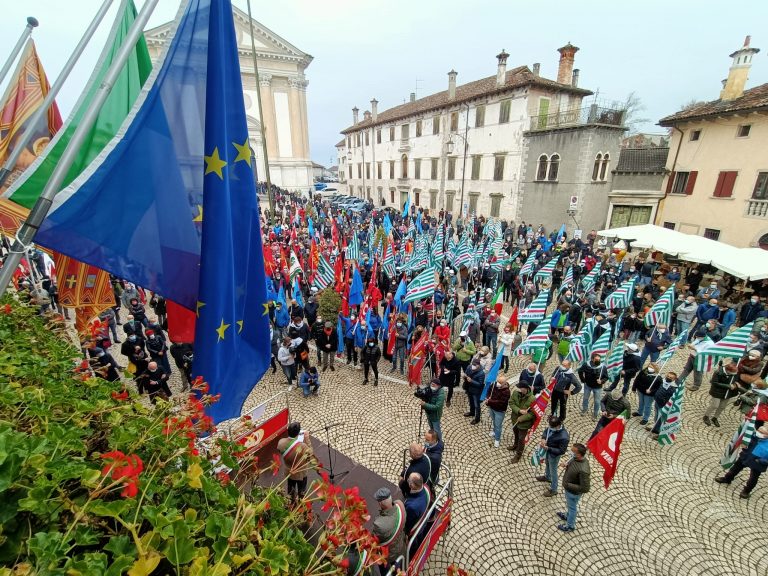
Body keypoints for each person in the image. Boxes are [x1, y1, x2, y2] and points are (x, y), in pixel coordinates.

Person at [715, 424, 768, 498]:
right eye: (758, 430)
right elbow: (745, 442)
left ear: (766, 435)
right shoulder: (752, 436)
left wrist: (760, 461)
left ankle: (746, 491)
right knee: (735, 468)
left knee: (753, 478)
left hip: (757, 463)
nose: (758, 432)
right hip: (745, 456)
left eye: (761, 432)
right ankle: (727, 479)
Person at [276, 423, 314, 504]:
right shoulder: (302, 446)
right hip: (301, 473)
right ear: (298, 433)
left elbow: (279, 450)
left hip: (288, 471)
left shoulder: (281, 442)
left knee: (290, 489)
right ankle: (301, 501)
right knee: (302, 490)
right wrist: (307, 439)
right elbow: (310, 454)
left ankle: (291, 502)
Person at [557, 443, 591, 532]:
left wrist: (568, 485)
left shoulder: (584, 470)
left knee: (572, 508)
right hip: (569, 489)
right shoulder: (575, 458)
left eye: (573, 451)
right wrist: (567, 465)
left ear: (579, 454)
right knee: (570, 506)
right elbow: (573, 467)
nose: (570, 452)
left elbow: (585, 488)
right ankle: (567, 516)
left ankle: (570, 526)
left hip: (573, 493)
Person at [371, 487, 406, 573]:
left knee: (385, 570)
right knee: (398, 566)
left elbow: (374, 539)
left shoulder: (379, 524)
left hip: (388, 555)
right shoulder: (400, 504)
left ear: (380, 503)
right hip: (400, 546)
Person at [535, 416, 570, 497]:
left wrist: (548, 448)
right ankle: (547, 477)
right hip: (547, 451)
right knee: (547, 463)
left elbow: (562, 451)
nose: (550, 427)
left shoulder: (564, 437)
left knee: (553, 472)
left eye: (552, 427)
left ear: (558, 426)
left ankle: (554, 489)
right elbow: (546, 431)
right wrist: (543, 438)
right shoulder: (553, 426)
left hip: (554, 455)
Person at [703, 362, 740, 427]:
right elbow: (715, 383)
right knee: (715, 405)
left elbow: (736, 380)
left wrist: (736, 384)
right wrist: (728, 386)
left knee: (722, 406)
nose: (735, 374)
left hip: (727, 393)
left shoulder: (734, 373)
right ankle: (706, 416)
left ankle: (715, 418)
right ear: (728, 371)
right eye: (733, 373)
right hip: (717, 392)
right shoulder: (718, 372)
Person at [508, 381, 535, 463]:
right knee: (516, 434)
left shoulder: (532, 399)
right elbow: (511, 403)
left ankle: (518, 454)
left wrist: (522, 418)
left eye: (520, 388)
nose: (519, 389)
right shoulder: (515, 393)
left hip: (524, 424)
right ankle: (515, 445)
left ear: (525, 388)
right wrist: (519, 410)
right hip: (515, 419)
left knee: (521, 439)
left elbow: (532, 414)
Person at [649, 372, 679, 438]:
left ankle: (660, 434)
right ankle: (656, 428)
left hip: (664, 406)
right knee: (656, 416)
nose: (668, 378)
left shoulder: (673, 388)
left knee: (662, 420)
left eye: (671, 378)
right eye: (668, 376)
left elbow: (672, 399)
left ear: (674, 379)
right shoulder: (663, 382)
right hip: (657, 402)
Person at [579, 354, 607, 419]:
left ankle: (595, 413)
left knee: (597, 401)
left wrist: (601, 381)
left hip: (597, 388)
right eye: (596, 360)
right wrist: (583, 380)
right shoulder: (586, 365)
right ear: (592, 359)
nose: (598, 361)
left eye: (599, 360)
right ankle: (585, 409)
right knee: (585, 398)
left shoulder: (603, 367)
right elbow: (580, 371)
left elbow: (606, 377)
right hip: (587, 385)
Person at [485, 374, 510, 448]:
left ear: (504, 383)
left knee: (498, 425)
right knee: (494, 421)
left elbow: (500, 402)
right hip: (491, 408)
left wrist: (489, 401)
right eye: (498, 382)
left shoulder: (507, 392)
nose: (498, 384)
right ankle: (494, 431)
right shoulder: (494, 385)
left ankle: (497, 439)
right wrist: (487, 397)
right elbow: (489, 391)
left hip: (500, 411)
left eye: (500, 383)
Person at [403, 473, 430, 541]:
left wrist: (406, 534)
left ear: (411, 485)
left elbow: (408, 523)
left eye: (409, 480)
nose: (407, 480)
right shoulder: (425, 488)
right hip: (422, 517)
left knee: (415, 542)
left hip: (417, 527)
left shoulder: (412, 507)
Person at [462, 358, 485, 424]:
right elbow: (466, 373)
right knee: (471, 402)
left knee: (476, 405)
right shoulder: (469, 367)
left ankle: (477, 419)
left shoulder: (481, 373)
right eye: (473, 364)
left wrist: (471, 381)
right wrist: (464, 376)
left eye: (475, 365)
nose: (473, 366)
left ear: (478, 365)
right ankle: (472, 412)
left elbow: (480, 384)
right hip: (469, 388)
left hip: (476, 391)